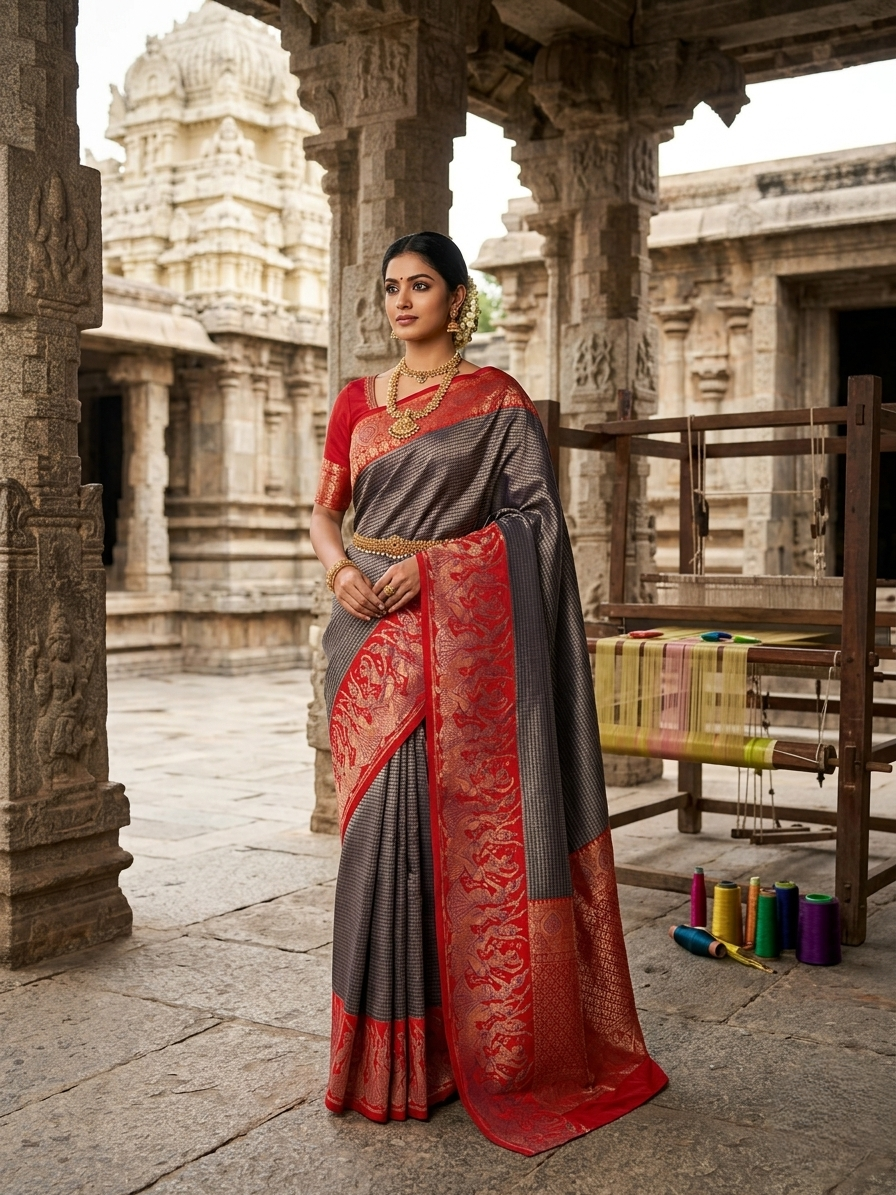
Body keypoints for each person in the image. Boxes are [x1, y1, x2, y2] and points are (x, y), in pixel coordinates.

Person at [310, 231, 667, 1155]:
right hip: (362, 637)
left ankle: (438, 1054)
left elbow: (537, 523)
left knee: (425, 834)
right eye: (389, 287)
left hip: (448, 640)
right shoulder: (356, 400)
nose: (399, 302)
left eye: (419, 285)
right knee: (369, 844)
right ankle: (373, 1052)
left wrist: (437, 575)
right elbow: (325, 512)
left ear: (457, 297)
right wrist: (337, 572)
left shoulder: (496, 401)